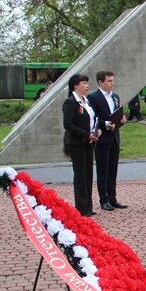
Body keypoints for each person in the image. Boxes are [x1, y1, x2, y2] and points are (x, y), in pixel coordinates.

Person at [88, 70, 127, 211]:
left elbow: (117, 114)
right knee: (103, 170)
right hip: (102, 138)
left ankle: (112, 198)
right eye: (109, 81)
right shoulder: (93, 97)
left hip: (115, 137)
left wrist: (121, 119)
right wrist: (105, 124)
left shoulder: (115, 97)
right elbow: (92, 118)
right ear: (100, 82)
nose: (112, 83)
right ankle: (103, 199)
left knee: (112, 170)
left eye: (113, 80)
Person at [62, 74, 100, 216]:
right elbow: (68, 124)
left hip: (89, 142)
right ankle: (81, 208)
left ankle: (88, 206)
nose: (87, 86)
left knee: (88, 174)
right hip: (77, 143)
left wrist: (96, 130)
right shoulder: (70, 102)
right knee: (80, 175)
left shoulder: (86, 101)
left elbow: (91, 119)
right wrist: (85, 134)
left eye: (87, 83)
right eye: (84, 83)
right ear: (75, 85)